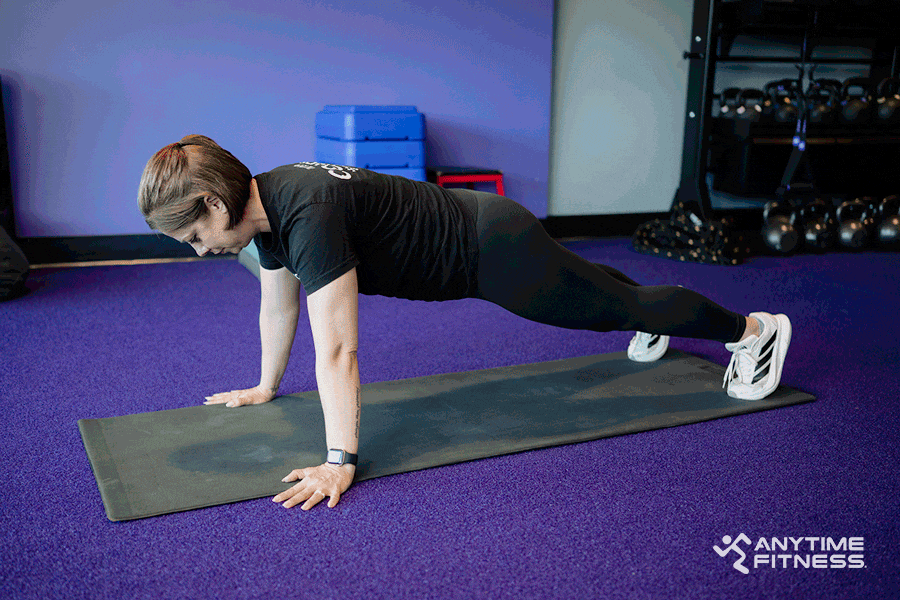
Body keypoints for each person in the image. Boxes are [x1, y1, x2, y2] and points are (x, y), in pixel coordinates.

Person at [138, 134, 792, 512]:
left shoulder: (308, 215)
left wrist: (341, 460)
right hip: (480, 225)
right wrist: (264, 385)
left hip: (491, 256)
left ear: (217, 204)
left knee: (611, 310)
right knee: (599, 294)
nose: (200, 251)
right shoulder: (268, 202)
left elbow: (338, 350)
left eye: (195, 235)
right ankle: (649, 308)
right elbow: (277, 301)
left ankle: (754, 331)